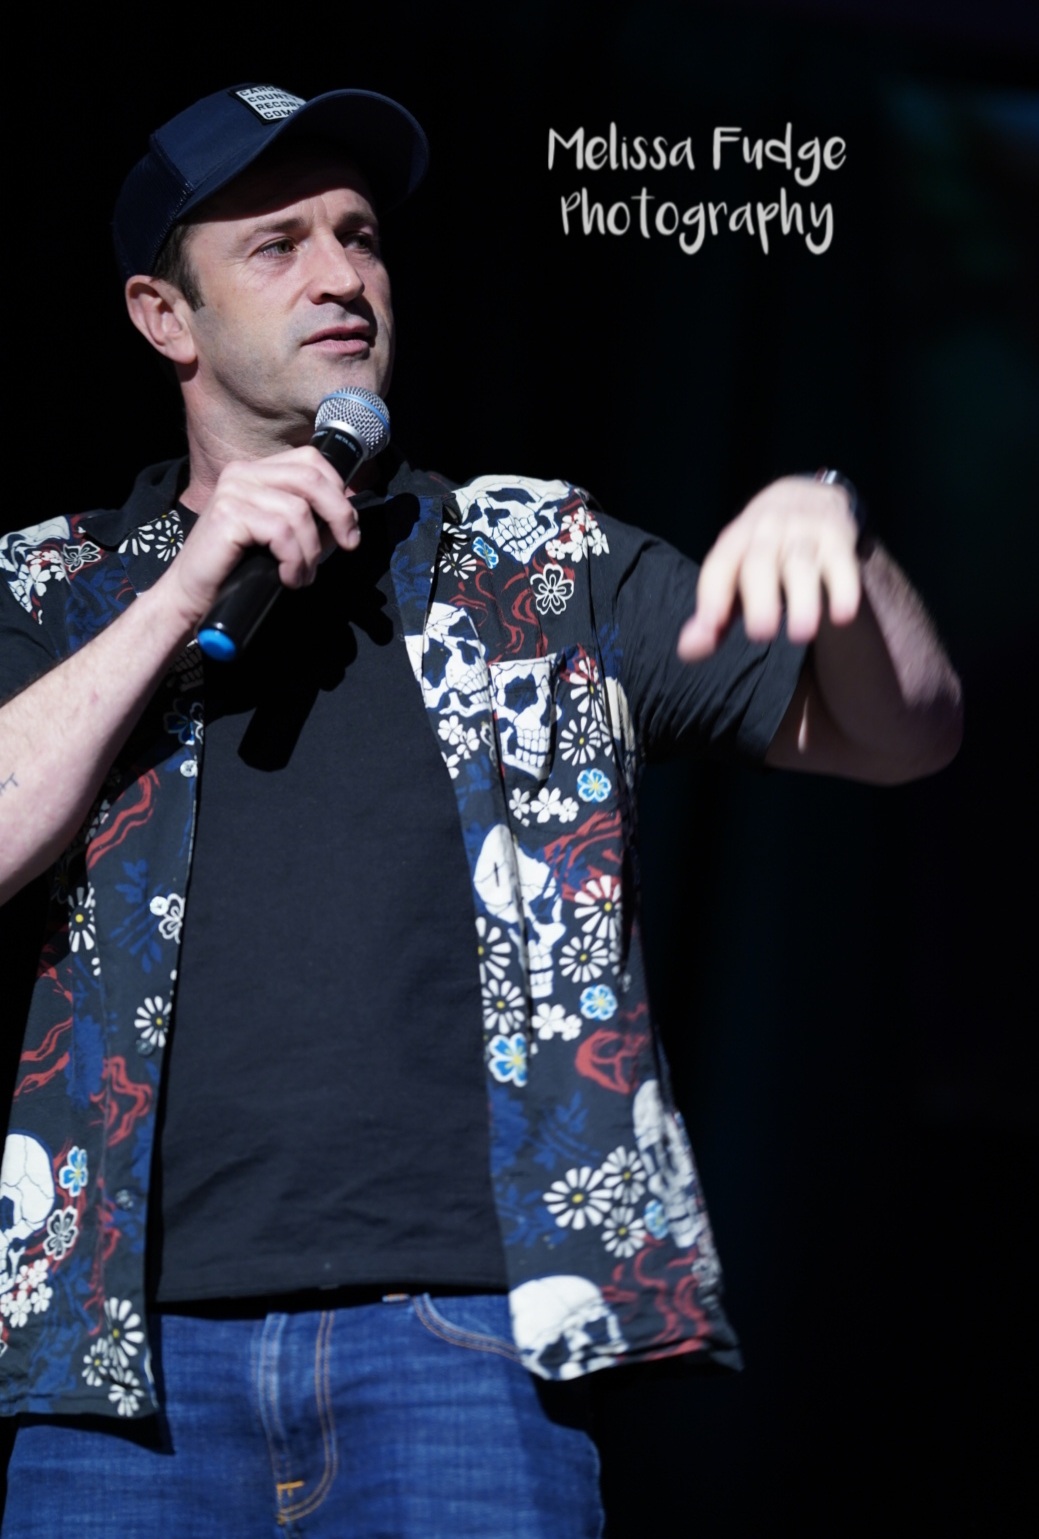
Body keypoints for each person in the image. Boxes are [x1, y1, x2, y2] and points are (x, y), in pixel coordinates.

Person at [0, 83, 962, 1536]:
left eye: (361, 235)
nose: (343, 275)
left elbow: (905, 736)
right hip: (122, 1371)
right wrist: (184, 590)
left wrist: (850, 543)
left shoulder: (537, 561)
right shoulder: (52, 586)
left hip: (462, 1347)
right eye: (278, 245)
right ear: (164, 318)